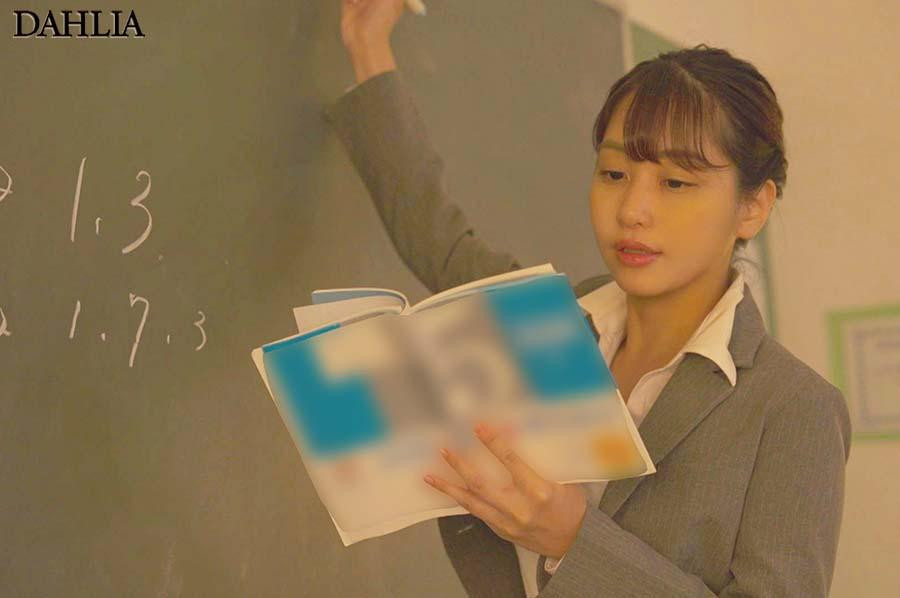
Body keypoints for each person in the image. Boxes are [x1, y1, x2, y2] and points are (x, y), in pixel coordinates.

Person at [324, 1, 851, 596]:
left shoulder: (794, 409)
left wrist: (575, 541)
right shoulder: (545, 321)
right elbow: (437, 239)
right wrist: (368, 44)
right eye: (614, 174)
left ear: (753, 206)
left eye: (675, 182)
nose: (632, 211)